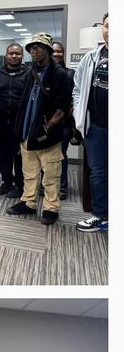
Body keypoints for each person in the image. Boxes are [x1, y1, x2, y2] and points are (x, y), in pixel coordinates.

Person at [6, 33, 72, 225]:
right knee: (30, 172)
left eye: (39, 48)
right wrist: (20, 132)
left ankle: (52, 207)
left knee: (51, 174)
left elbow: (63, 108)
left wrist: (48, 126)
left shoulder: (60, 74)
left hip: (48, 135)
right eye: (32, 48)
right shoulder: (29, 72)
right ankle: (29, 202)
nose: (34, 51)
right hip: (28, 132)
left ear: (48, 51)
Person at [73, 13, 108, 233]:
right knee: (99, 172)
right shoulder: (91, 57)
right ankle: (101, 215)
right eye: (107, 25)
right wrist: (79, 116)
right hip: (96, 126)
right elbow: (77, 89)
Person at [0, 44, 28, 197]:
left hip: (20, 124)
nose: (14, 56)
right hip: (0, 124)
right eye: (11, 53)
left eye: (17, 53)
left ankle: (20, 184)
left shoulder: (29, 74)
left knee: (19, 156)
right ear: (6, 55)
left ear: (22, 56)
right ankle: (6, 181)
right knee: (3, 155)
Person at [50, 41, 74, 200]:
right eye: (53, 51)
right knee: (45, 155)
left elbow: (74, 98)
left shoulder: (70, 73)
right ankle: (46, 184)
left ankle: (62, 186)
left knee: (61, 155)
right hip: (45, 122)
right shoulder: (43, 73)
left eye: (59, 51)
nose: (56, 54)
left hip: (63, 122)